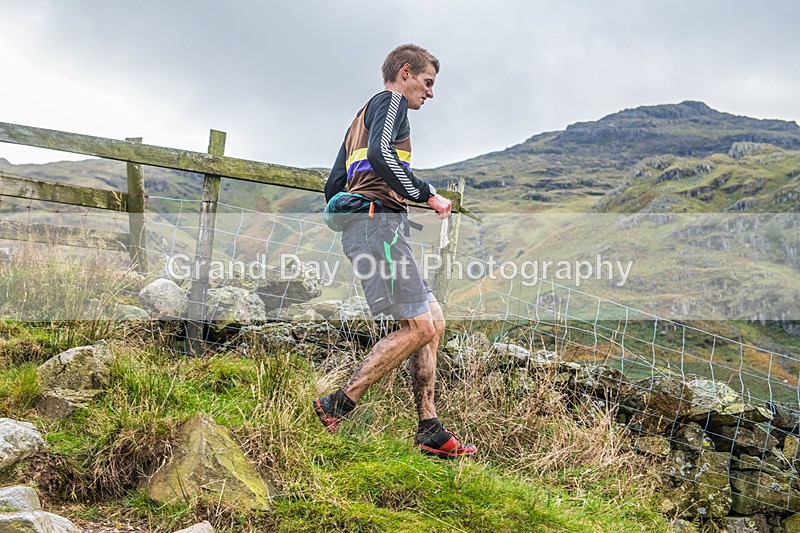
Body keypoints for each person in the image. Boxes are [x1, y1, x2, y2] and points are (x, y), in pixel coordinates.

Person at [314, 44, 476, 458]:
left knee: (432, 321)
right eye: (427, 82)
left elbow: (334, 186)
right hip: (378, 229)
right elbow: (381, 155)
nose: (430, 93)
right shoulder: (391, 102)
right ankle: (337, 405)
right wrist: (428, 195)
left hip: (372, 228)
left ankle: (429, 428)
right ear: (406, 73)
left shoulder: (359, 119)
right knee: (419, 327)